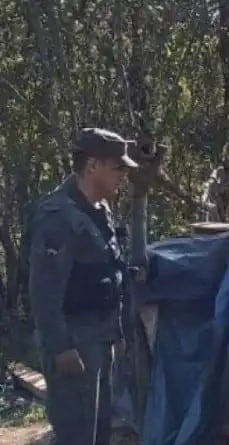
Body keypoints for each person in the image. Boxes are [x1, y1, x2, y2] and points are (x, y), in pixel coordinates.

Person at [27, 127, 138, 444]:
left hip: (101, 339)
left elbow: (111, 271)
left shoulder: (99, 211)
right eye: (117, 168)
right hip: (74, 342)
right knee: (77, 434)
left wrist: (118, 332)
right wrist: (60, 347)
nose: (123, 176)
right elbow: (44, 291)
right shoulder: (57, 217)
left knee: (101, 431)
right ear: (92, 166)